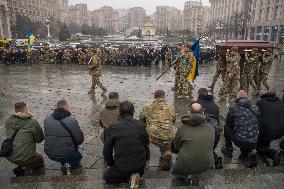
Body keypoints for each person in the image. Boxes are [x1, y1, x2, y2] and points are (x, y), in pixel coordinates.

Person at [103, 101, 149, 188]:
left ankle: (128, 177)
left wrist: (112, 164)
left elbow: (107, 152)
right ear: (133, 112)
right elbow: (146, 144)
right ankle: (135, 175)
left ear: (120, 113)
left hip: (122, 166)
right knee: (134, 169)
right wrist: (146, 160)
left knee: (107, 177)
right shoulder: (141, 125)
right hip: (140, 166)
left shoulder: (112, 127)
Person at [171, 103, 214, 185]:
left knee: (175, 172)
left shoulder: (182, 128)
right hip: (207, 165)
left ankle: (183, 181)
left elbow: (176, 147)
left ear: (189, 111)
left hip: (184, 166)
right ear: (203, 112)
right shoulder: (210, 127)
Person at [44, 100, 84, 175]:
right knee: (81, 145)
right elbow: (79, 140)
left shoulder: (47, 119)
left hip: (50, 153)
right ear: (66, 108)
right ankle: (71, 164)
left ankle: (63, 162)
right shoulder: (71, 121)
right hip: (67, 153)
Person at [5, 102, 44, 177]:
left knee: (20, 151)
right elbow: (40, 139)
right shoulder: (32, 122)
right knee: (40, 159)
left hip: (9, 155)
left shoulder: (8, 121)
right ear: (26, 109)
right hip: (26, 157)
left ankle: (21, 165)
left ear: (15, 111)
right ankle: (28, 167)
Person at [139, 90, 176, 171]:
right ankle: (166, 153)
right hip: (168, 134)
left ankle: (145, 151)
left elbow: (141, 120)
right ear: (164, 96)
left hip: (152, 135)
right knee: (166, 146)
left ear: (154, 97)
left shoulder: (147, 107)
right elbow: (173, 121)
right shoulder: (171, 107)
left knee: (144, 133)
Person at [222, 90, 259, 168]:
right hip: (255, 141)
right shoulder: (255, 107)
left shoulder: (233, 109)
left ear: (237, 98)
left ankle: (229, 148)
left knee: (226, 127)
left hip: (241, 141)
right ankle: (248, 151)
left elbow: (229, 124)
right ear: (247, 97)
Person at [256, 89, 284, 166]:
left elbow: (255, 116)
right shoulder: (281, 102)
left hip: (266, 131)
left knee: (260, 149)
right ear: (276, 94)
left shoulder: (260, 102)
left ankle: (273, 153)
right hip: (281, 131)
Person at [196, 88, 223, 169]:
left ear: (199, 95)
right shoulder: (215, 106)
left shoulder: (195, 105)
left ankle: (205, 160)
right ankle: (214, 157)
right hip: (214, 137)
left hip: (200, 137)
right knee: (209, 147)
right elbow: (217, 123)